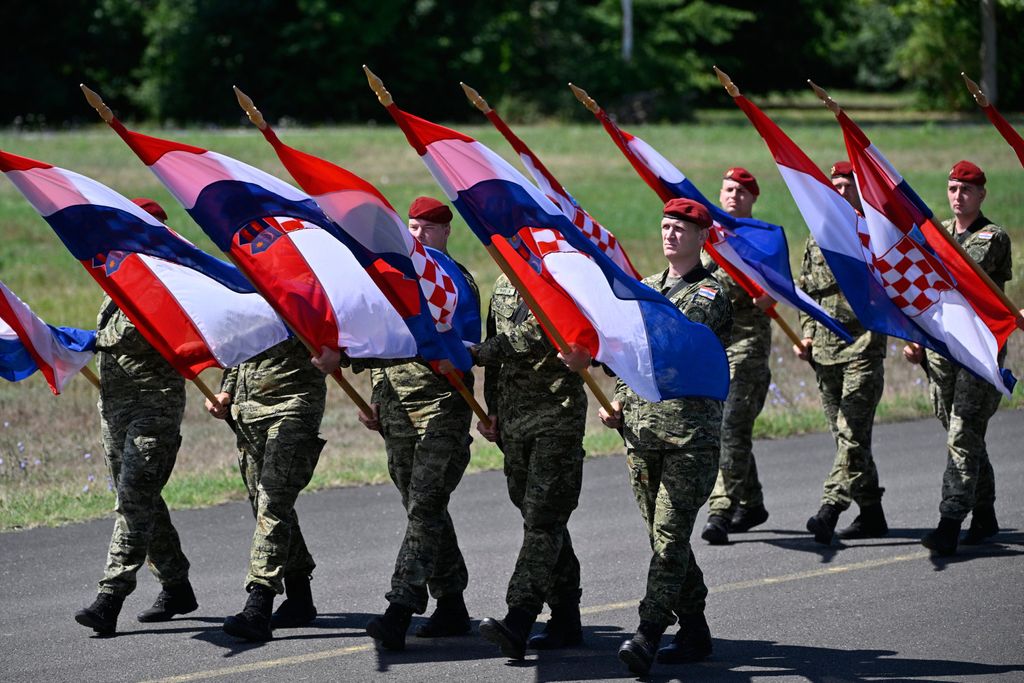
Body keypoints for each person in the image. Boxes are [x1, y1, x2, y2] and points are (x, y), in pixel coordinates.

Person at [600, 198, 732, 676]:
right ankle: (695, 629)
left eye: (681, 228)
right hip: (641, 434)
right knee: (663, 539)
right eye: (665, 226)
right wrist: (617, 396)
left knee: (671, 537)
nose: (671, 235)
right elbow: (628, 358)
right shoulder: (648, 287)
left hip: (688, 438)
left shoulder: (711, 293)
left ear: (701, 238)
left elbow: (674, 343)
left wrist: (625, 341)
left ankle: (648, 632)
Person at [362, 197, 480, 650]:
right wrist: (375, 397)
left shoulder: (453, 281)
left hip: (442, 408)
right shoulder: (396, 279)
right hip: (397, 411)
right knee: (421, 507)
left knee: (426, 505)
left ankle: (401, 606)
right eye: (412, 227)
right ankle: (452, 603)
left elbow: (466, 345)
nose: (418, 236)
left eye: (427, 228)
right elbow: (382, 343)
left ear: (445, 232)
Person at [75, 198, 197, 636]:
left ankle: (110, 596)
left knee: (133, 499)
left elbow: (134, 333)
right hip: (116, 409)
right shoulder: (118, 280)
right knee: (142, 500)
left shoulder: (165, 281)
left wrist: (81, 340)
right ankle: (177, 584)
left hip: (154, 408)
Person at [474, 254, 589, 660]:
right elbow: (497, 360)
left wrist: (473, 352)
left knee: (543, 518)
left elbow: (536, 333)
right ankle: (566, 615)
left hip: (556, 417)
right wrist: (491, 409)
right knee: (543, 519)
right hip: (514, 421)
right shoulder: (503, 284)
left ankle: (519, 617)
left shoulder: (561, 280)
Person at [903, 160, 1012, 556]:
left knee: (962, 434)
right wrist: (916, 338)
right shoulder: (937, 233)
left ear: (981, 194)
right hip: (942, 349)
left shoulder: (992, 237)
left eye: (966, 190)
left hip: (978, 350)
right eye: (952, 189)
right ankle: (984, 514)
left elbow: (964, 280)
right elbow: (923, 290)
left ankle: (949, 523)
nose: (958, 196)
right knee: (960, 432)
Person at [206, 335, 329, 641]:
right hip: (248, 413)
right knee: (265, 504)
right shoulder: (248, 305)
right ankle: (300, 598)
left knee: (272, 501)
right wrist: (226, 390)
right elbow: (239, 343)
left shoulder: (304, 302)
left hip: (294, 406)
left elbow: (334, 333)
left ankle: (259, 604)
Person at [795, 162, 889, 545]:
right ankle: (872, 514)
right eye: (834, 186)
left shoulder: (875, 234)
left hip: (864, 347)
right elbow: (806, 292)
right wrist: (806, 335)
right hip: (824, 351)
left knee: (851, 432)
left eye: (847, 185)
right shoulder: (818, 235)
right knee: (846, 438)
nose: (841, 192)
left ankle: (830, 508)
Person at [700, 168, 772, 545]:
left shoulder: (760, 241)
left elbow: (778, 286)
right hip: (714, 350)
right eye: (728, 189)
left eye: (742, 192)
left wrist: (770, 293)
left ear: (753, 199)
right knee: (729, 428)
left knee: (730, 426)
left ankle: (721, 509)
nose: (733, 196)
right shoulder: (709, 240)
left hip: (747, 345)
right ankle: (752, 502)